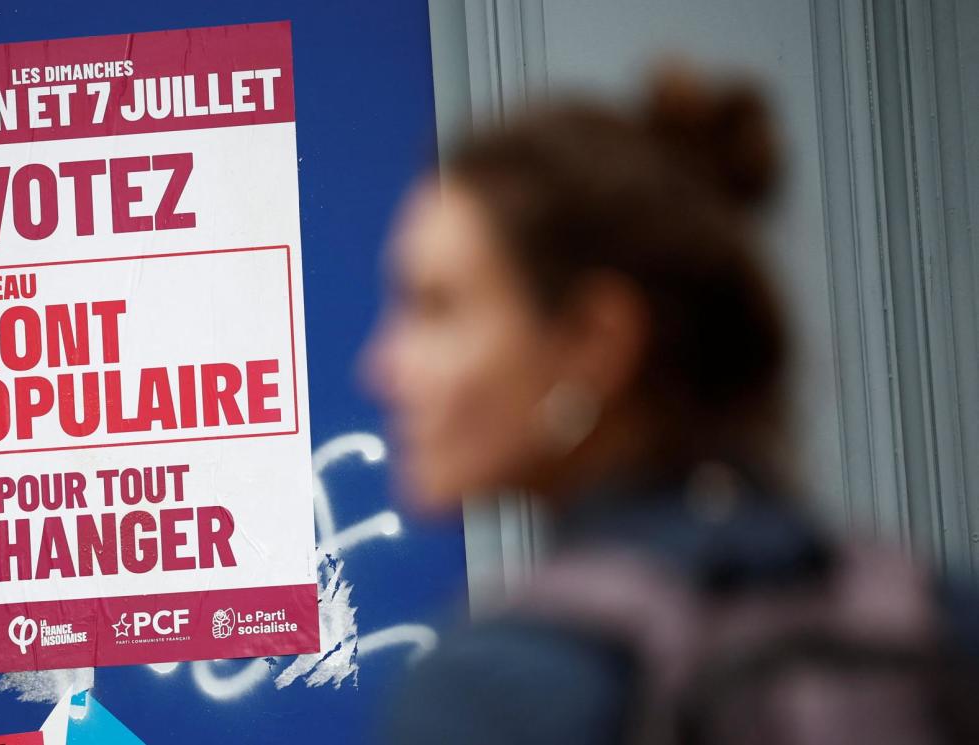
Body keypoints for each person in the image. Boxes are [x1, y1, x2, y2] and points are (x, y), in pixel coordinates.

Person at [364, 69, 979, 745]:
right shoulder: (941, 620)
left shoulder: (496, 692)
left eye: (438, 308)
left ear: (594, 342)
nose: (384, 367)